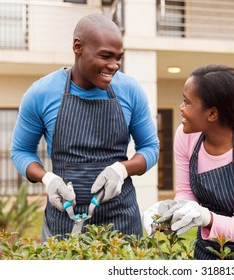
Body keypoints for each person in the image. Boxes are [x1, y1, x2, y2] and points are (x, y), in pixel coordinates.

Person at [11, 14, 159, 241]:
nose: (114, 66)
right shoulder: (41, 93)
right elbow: (21, 151)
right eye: (105, 56)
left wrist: (121, 170)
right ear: (77, 47)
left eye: (119, 58)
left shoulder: (130, 90)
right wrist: (48, 179)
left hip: (121, 221)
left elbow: (150, 147)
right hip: (63, 220)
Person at [143, 64, 234, 260]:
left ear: (212, 114)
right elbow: (186, 192)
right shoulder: (186, 136)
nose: (181, 108)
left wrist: (203, 216)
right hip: (208, 246)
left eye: (187, 102)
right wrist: (170, 214)